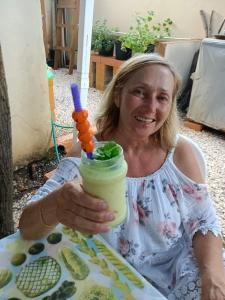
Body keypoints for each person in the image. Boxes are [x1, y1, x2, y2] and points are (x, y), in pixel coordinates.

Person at [19, 54, 225, 299]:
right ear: (118, 95)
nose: (150, 107)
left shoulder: (179, 153)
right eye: (140, 92)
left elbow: (204, 222)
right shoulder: (88, 156)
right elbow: (27, 227)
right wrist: (56, 205)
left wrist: (213, 276)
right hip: (113, 279)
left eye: (162, 97)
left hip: (180, 273)